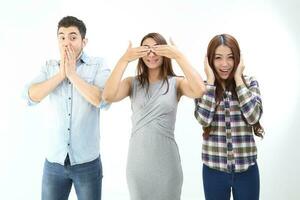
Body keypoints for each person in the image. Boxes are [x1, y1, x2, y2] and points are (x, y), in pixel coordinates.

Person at [102, 32, 206, 200]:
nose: (151, 54)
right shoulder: (132, 83)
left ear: (165, 52)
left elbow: (200, 89)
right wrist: (124, 60)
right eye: (146, 49)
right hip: (138, 164)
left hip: (167, 164)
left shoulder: (176, 83)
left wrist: (179, 55)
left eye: (156, 49)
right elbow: (107, 96)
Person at [24, 16, 110, 200]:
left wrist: (72, 75)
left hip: (87, 163)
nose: (66, 42)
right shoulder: (49, 67)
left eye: (72, 37)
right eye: (61, 37)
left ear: (83, 41)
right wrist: (61, 75)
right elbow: (30, 96)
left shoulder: (98, 65)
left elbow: (102, 100)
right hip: (54, 163)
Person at [194, 33, 264, 200]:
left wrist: (238, 79)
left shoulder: (250, 83)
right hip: (213, 171)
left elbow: (253, 117)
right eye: (218, 58)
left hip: (247, 171)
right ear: (210, 60)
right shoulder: (203, 87)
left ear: (238, 60)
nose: (224, 64)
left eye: (230, 57)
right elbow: (203, 119)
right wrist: (210, 81)